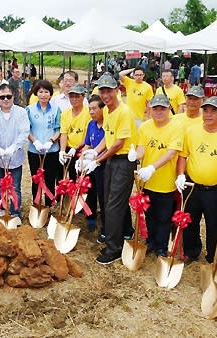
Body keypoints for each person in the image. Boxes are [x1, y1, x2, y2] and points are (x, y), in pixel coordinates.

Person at [175, 96, 217, 264]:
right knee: (190, 221)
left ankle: (214, 255)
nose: (209, 114)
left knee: (214, 225)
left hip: (215, 190)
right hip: (193, 187)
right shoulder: (192, 132)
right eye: (206, 110)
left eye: (214, 111)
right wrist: (181, 174)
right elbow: (183, 156)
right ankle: (191, 250)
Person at [88, 73, 138, 265]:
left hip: (124, 161)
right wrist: (94, 152)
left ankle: (113, 248)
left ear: (117, 90)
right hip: (111, 160)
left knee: (113, 205)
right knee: (111, 200)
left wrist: (98, 160)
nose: (106, 94)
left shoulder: (124, 112)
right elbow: (107, 138)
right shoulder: (107, 110)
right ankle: (125, 232)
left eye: (109, 90)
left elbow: (118, 143)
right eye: (102, 90)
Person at [134, 95, 183, 257]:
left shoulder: (176, 128)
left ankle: (161, 247)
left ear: (169, 109)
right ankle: (150, 242)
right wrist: (136, 156)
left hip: (166, 183)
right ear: (150, 110)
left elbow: (171, 153)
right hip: (147, 182)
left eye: (163, 108)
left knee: (164, 217)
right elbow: (142, 148)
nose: (159, 111)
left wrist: (152, 168)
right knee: (150, 215)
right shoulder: (144, 127)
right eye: (155, 108)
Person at [0, 84, 30, 218]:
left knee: (15, 186)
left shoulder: (21, 112)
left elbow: (24, 132)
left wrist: (14, 147)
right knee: (0, 185)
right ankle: (3, 208)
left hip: (15, 157)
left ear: (13, 97)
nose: (5, 99)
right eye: (2, 97)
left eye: (8, 96)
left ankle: (15, 212)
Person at [26, 80, 61, 207]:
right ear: (36, 93)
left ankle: (49, 206)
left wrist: (50, 142)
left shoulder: (56, 109)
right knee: (36, 180)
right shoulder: (29, 110)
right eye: (40, 92)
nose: (43, 95)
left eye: (46, 92)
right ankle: (36, 206)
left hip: (51, 151)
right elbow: (27, 129)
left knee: (50, 180)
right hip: (34, 151)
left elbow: (58, 130)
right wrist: (35, 142)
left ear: (50, 94)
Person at [82, 95, 107, 236]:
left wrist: (96, 159)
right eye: (89, 109)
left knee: (103, 196)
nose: (91, 112)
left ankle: (105, 224)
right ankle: (91, 217)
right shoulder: (91, 124)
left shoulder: (108, 125)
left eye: (94, 108)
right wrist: (82, 157)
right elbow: (87, 144)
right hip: (90, 164)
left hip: (103, 165)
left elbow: (108, 146)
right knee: (90, 191)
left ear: (103, 109)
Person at [59, 84, 90, 181]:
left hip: (82, 150)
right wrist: (62, 150)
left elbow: (87, 135)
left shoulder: (88, 113)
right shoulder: (65, 114)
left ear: (83, 97)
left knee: (79, 178)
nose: (74, 99)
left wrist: (76, 148)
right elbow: (64, 133)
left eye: (77, 96)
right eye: (71, 96)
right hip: (69, 150)